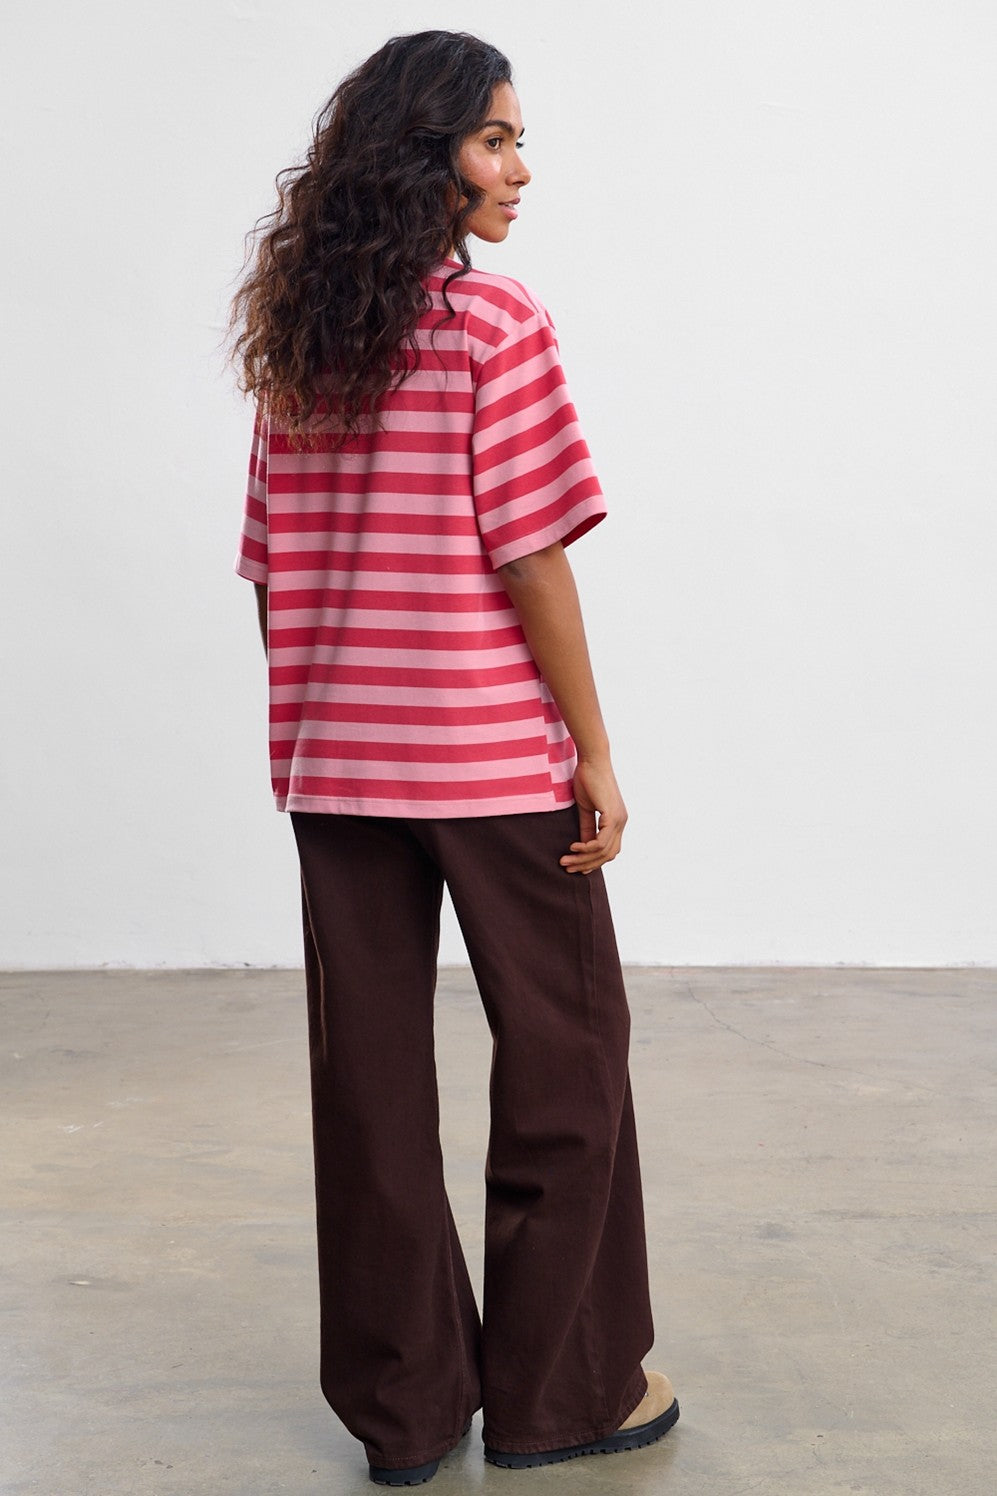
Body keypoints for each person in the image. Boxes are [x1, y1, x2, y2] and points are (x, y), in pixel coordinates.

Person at [229, 28, 679, 1487]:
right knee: (567, 1063)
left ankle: (405, 1415)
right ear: (423, 158)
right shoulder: (492, 321)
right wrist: (593, 751)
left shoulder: (300, 339)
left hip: (338, 767)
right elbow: (531, 552)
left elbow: (270, 573)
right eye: (495, 140)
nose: (518, 169)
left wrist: (316, 732)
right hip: (490, 766)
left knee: (369, 1090)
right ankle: (564, 1395)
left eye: (516, 141)